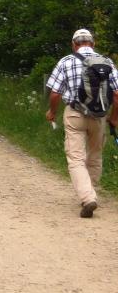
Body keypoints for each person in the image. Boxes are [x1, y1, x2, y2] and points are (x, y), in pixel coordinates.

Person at [45, 28, 118, 218]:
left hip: (75, 115)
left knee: (76, 158)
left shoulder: (66, 61)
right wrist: (114, 118)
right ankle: (89, 193)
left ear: (74, 44)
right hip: (99, 116)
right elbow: (117, 94)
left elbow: (55, 93)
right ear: (93, 44)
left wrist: (52, 112)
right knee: (95, 156)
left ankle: (88, 197)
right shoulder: (107, 62)